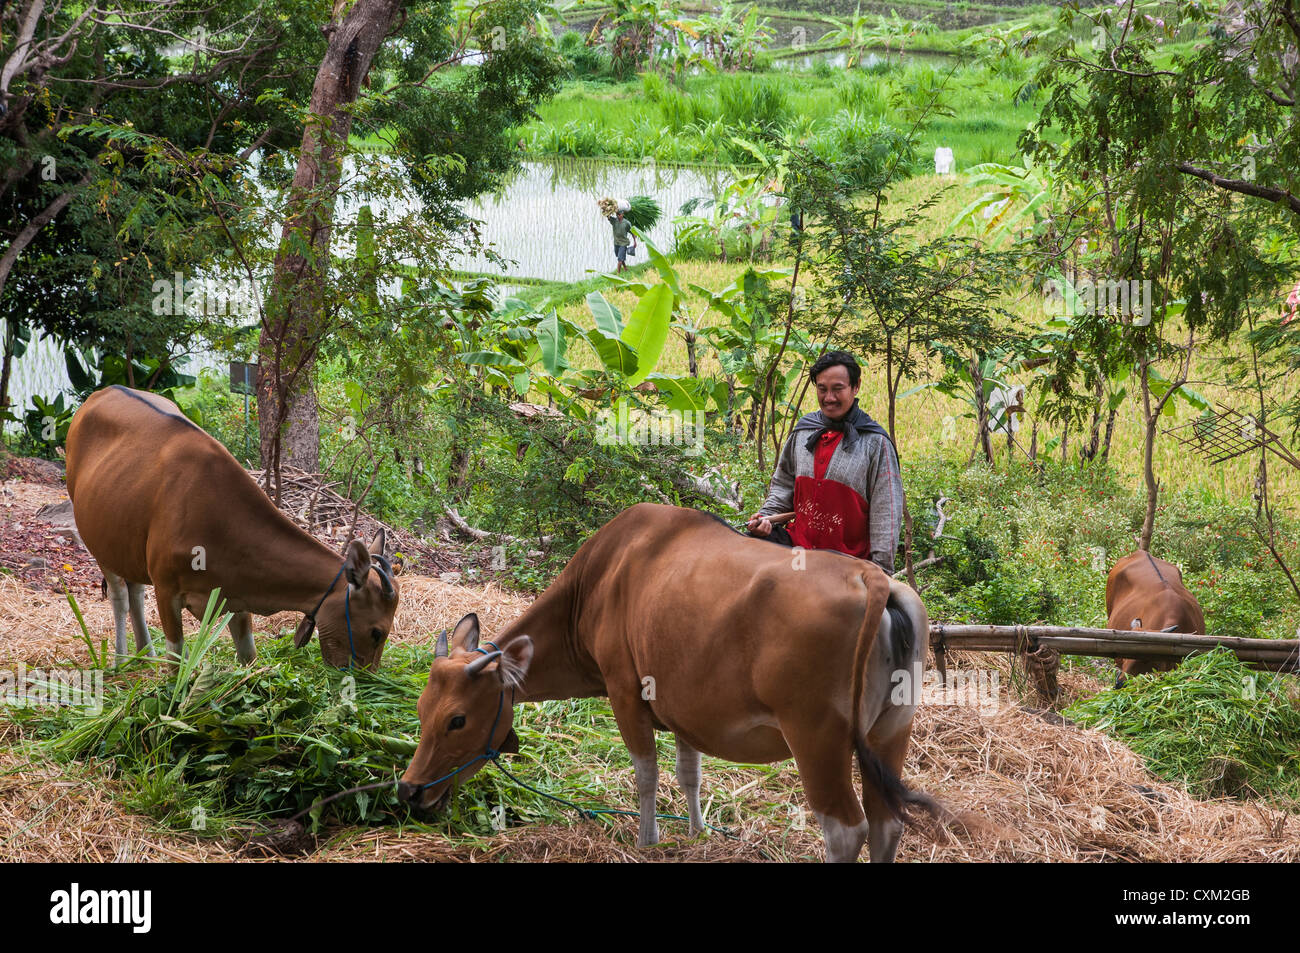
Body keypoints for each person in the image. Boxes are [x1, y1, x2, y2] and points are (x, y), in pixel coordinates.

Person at [746, 350, 904, 575]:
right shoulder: (803, 431)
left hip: (845, 565)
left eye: (837, 389)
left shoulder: (875, 444)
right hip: (798, 554)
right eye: (822, 389)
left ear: (855, 386)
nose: (829, 397)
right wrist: (764, 518)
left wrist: (880, 571)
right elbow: (783, 487)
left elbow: (886, 514)